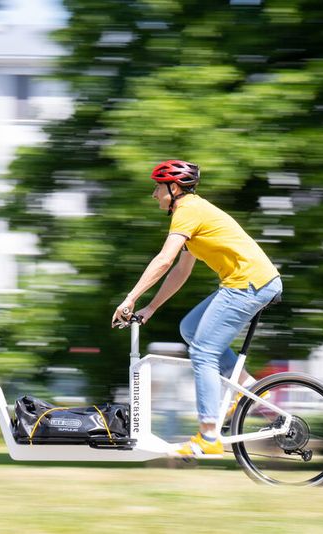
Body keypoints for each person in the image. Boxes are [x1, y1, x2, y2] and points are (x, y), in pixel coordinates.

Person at [111, 160, 283, 457]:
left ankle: (208, 434)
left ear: (174, 188)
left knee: (203, 351)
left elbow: (164, 261)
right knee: (189, 328)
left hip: (249, 284)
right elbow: (180, 270)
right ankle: (253, 389)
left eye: (157, 187)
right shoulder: (193, 211)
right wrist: (150, 307)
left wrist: (130, 298)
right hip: (247, 282)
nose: (154, 194)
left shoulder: (187, 211)